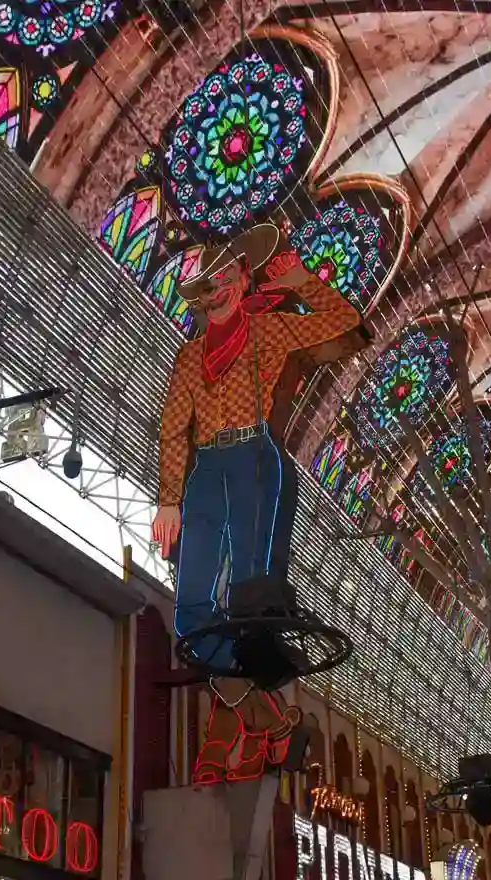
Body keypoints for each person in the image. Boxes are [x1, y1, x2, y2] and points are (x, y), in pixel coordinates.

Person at [150, 222, 366, 783]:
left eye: (225, 278)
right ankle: (267, 717)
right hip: (205, 471)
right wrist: (169, 500)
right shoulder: (188, 357)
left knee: (249, 602)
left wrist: (300, 282)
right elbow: (173, 429)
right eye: (207, 284)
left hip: (253, 461)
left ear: (243, 281)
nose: (216, 290)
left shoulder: (269, 330)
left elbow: (346, 323)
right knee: (191, 607)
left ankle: (240, 732)